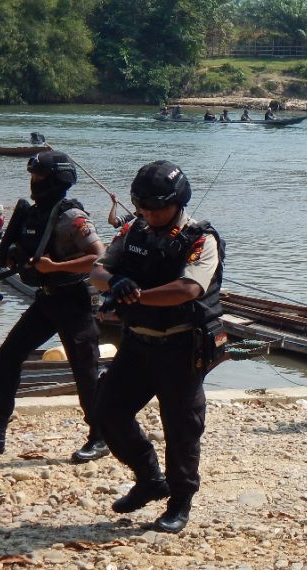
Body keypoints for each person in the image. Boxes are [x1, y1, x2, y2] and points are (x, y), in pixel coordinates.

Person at [89, 160, 225, 534]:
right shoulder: (135, 228)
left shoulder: (201, 239)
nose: (148, 213)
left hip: (181, 346)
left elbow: (189, 289)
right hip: (137, 343)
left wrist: (137, 296)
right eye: (143, 206)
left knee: (181, 428)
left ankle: (180, 500)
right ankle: (149, 477)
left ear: (178, 202)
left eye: (156, 207)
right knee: (107, 412)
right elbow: (97, 271)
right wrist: (115, 282)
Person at [0, 151, 109, 463]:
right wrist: (13, 256)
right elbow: (26, 250)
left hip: (73, 299)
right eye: (33, 177)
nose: (33, 183)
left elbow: (99, 256)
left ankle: (101, 437)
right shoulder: (35, 214)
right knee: (7, 357)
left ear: (55, 180)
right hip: (47, 300)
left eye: (39, 178)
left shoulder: (70, 216)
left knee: (85, 370)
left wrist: (52, 267)